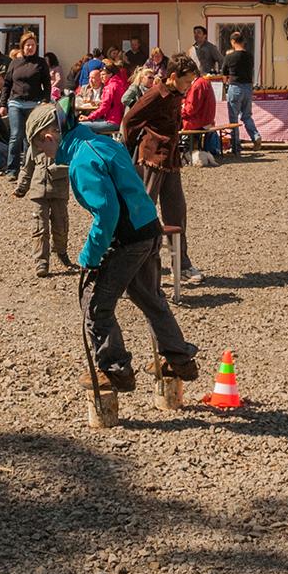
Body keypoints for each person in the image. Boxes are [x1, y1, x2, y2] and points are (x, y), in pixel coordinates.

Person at [53, 115, 199, 393]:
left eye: (39, 148)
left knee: (96, 303)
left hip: (128, 239)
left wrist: (89, 256)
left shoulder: (83, 160)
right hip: (149, 228)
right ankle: (178, 359)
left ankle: (115, 369)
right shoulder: (102, 143)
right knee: (150, 298)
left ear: (49, 137)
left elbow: (106, 214)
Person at [123, 53, 202, 284]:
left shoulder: (177, 94)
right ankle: (136, 266)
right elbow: (129, 121)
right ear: (174, 76)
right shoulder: (155, 94)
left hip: (171, 160)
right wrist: (130, 152)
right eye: (187, 81)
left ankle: (182, 265)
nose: (189, 87)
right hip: (152, 159)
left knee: (177, 212)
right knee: (144, 212)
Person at [12, 101, 73, 276]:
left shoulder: (64, 145)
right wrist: (21, 188)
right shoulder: (35, 147)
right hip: (39, 190)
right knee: (40, 227)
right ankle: (42, 261)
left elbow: (74, 165)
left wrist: (61, 170)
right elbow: (27, 168)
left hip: (59, 190)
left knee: (60, 225)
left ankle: (61, 252)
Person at [3, 31, 52, 179]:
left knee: (30, 138)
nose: (30, 47)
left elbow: (47, 84)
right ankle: (12, 170)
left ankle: (28, 169)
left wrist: (45, 101)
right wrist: (2, 103)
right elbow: (7, 83)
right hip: (15, 102)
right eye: (28, 45)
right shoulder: (15, 62)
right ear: (22, 46)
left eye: (33, 45)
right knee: (16, 135)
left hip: (34, 104)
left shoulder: (41, 63)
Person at [88, 51, 130, 128]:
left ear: (110, 74)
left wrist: (89, 117)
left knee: (80, 126)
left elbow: (105, 107)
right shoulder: (117, 84)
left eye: (103, 74)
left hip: (112, 121)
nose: (101, 77)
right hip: (117, 120)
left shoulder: (110, 87)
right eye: (100, 75)